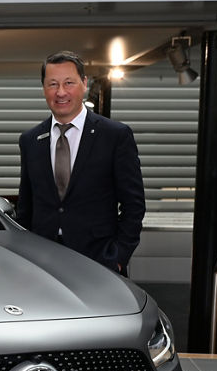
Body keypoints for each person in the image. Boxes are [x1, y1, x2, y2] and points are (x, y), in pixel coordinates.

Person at [16, 50, 146, 275]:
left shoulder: (115, 136)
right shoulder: (30, 140)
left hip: (99, 260)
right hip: (41, 264)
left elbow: (134, 205)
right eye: (52, 84)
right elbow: (26, 208)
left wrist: (118, 257)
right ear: (44, 88)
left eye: (69, 83)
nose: (61, 92)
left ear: (84, 83)